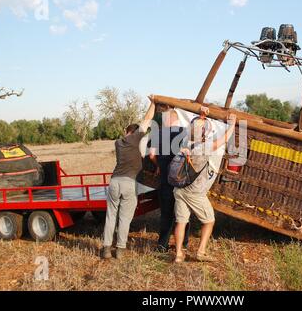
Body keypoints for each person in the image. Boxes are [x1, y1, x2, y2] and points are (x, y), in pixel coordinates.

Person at [173, 108, 236, 263]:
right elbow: (224, 139)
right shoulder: (204, 147)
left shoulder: (185, 142)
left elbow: (196, 126)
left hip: (179, 189)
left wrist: (202, 115)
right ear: (203, 134)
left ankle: (178, 254)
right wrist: (233, 124)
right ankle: (201, 252)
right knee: (209, 221)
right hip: (194, 192)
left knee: (181, 222)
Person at [101, 96, 156, 259]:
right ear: (134, 132)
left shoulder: (118, 143)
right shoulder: (135, 138)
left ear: (126, 131)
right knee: (124, 218)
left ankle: (105, 249)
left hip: (115, 181)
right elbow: (147, 119)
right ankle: (119, 250)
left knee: (111, 216)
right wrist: (152, 102)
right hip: (130, 183)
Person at [149, 107, 190, 253]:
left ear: (168, 119)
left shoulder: (158, 133)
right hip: (181, 180)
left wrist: (159, 165)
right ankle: (184, 243)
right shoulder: (186, 133)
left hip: (166, 180)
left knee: (166, 214)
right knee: (183, 214)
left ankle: (162, 245)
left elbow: (152, 155)